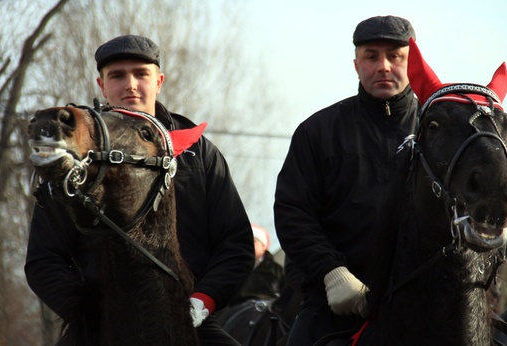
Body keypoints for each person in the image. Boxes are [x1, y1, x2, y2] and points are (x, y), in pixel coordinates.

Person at [25, 34, 255, 346]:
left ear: (159, 81)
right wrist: (88, 313)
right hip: (98, 328)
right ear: (102, 85)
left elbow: (235, 246)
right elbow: (43, 260)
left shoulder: (200, 154)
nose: (130, 84)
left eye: (141, 74)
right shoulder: (73, 155)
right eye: (117, 76)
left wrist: (200, 304)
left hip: (189, 321)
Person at [273, 15, 419, 345]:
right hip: (333, 308)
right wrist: (331, 272)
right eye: (372, 56)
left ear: (413, 62)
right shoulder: (317, 132)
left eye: (395, 55)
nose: (383, 66)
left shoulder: (438, 133)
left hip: (424, 307)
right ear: (356, 64)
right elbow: (292, 212)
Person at [230, 224, 285, 305]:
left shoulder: (275, 269)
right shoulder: (232, 270)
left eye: (254, 240)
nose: (249, 244)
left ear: (263, 246)